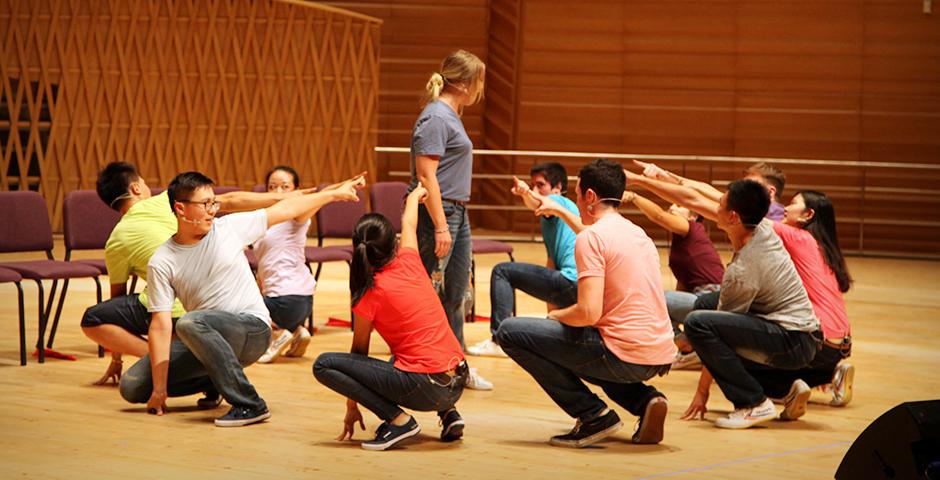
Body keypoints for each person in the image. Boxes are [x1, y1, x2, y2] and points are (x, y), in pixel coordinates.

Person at [118, 171, 363, 426]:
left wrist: (332, 194)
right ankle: (215, 380)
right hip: (207, 337)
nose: (213, 210)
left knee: (190, 323)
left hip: (252, 330)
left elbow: (286, 208)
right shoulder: (162, 261)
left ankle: (249, 403)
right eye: (205, 204)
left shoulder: (228, 229)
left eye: (214, 202)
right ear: (180, 208)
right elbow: (160, 325)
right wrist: (159, 389)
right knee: (132, 386)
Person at [496, 159, 677, 448]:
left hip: (624, 354)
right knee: (582, 348)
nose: (575, 202)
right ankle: (645, 400)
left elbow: (587, 312)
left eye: (577, 195)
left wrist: (555, 318)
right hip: (659, 353)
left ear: (590, 196)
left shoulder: (592, 238)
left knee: (511, 332)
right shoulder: (638, 234)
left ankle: (593, 416)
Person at [82, 161, 312, 386]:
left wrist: (116, 357)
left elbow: (117, 299)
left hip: (171, 314)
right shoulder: (170, 201)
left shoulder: (116, 240)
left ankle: (158, 356)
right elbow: (232, 199)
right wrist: (290, 196)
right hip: (215, 310)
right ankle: (186, 353)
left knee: (93, 318)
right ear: (136, 188)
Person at [627, 171, 821, 429]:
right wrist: (642, 181)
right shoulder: (759, 226)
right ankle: (782, 387)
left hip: (793, 340)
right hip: (796, 334)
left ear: (732, 217)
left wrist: (702, 392)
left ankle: (753, 403)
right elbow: (695, 199)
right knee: (706, 304)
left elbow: (719, 335)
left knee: (699, 323)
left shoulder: (743, 271)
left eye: (720, 204)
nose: (714, 206)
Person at [314, 183, 468, 451]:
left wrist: (352, 406)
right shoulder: (410, 259)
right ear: (392, 243)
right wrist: (417, 193)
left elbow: (358, 356)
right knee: (409, 347)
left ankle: (399, 421)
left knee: (324, 364)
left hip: (426, 387)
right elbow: (408, 221)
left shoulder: (368, 294)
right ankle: (449, 413)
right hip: (458, 380)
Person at [410, 49, 491, 390]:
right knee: (429, 293)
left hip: (458, 210)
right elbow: (426, 176)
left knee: (457, 293)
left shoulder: (450, 115)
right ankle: (421, 364)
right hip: (440, 215)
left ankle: (455, 365)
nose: (480, 89)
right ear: (463, 83)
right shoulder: (436, 118)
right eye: (478, 82)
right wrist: (441, 225)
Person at [746, 190, 854, 409]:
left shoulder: (799, 238)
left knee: (748, 361)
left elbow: (738, 212)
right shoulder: (824, 247)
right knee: (795, 370)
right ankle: (830, 376)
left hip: (817, 341)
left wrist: (675, 182)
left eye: (793, 203)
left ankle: (785, 393)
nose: (785, 208)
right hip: (840, 344)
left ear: (808, 214)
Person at [467, 162, 579, 358]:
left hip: (572, 282)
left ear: (558, 187)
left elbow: (536, 202)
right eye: (533, 185)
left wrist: (526, 193)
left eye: (540, 185)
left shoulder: (558, 202)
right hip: (574, 285)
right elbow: (552, 263)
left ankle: (499, 341)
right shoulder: (552, 217)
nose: (536, 190)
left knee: (502, 271)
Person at [620, 190, 724, 369]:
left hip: (711, 297)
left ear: (693, 216)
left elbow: (659, 216)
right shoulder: (681, 239)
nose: (672, 207)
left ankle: (687, 346)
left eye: (679, 205)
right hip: (699, 297)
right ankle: (688, 346)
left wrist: (635, 197)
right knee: (655, 301)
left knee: (651, 296)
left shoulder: (691, 228)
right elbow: (683, 284)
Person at [253, 165, 316, 363]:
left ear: (296, 189)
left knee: (234, 309)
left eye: (285, 187)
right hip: (302, 302)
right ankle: (298, 331)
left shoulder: (297, 217)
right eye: (272, 187)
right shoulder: (264, 219)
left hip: (284, 301)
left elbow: (312, 203)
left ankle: (277, 334)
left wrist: (333, 193)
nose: (278, 192)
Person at [633, 159, 787, 221]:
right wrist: (668, 178)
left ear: (770, 192)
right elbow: (710, 192)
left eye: (750, 186)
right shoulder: (757, 213)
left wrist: (639, 180)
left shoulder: (772, 219)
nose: (741, 190)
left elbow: (693, 199)